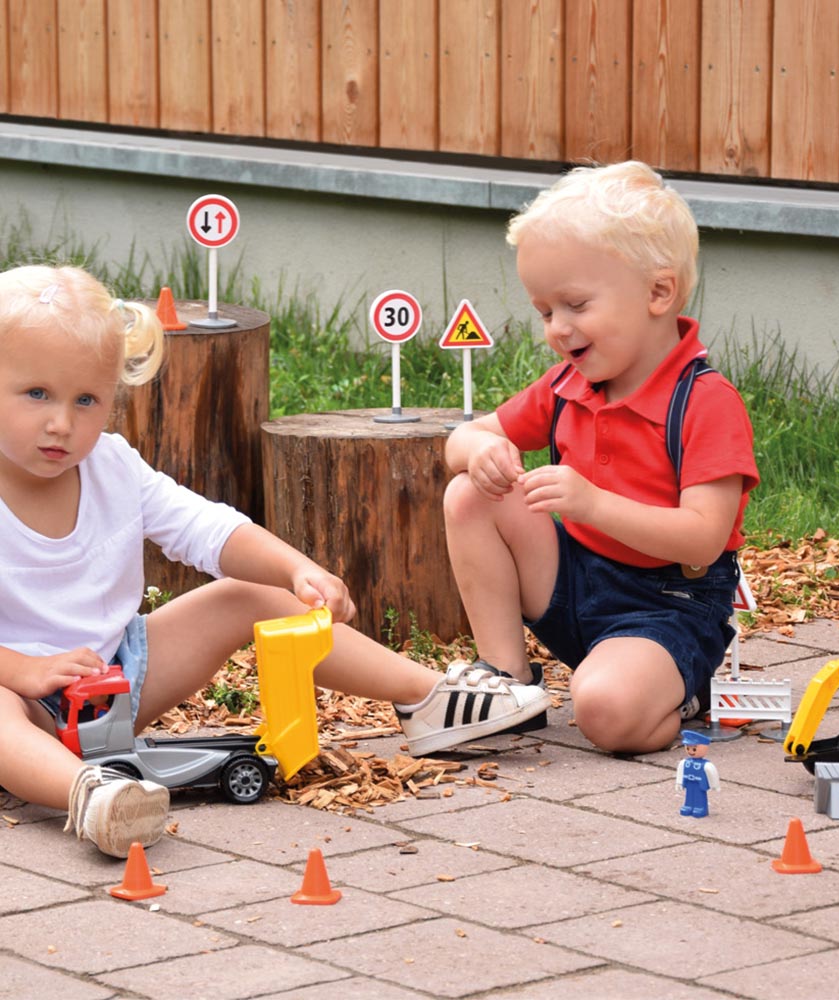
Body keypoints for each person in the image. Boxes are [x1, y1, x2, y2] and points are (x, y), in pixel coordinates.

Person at [0, 264, 548, 858]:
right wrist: (20, 672)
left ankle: (428, 699)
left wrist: (295, 569)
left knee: (249, 596)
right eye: (36, 394)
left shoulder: (112, 466)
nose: (62, 422)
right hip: (19, 699)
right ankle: (92, 796)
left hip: (112, 679)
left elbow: (205, 527)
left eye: (86, 400)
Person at [443, 161, 758, 755]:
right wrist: (482, 448)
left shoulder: (705, 402)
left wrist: (591, 503)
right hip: (574, 583)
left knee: (605, 713)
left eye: (576, 305)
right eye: (544, 311)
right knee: (469, 490)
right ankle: (508, 681)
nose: (557, 328)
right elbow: (461, 439)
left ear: (658, 292)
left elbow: (702, 540)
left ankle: (680, 691)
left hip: (668, 606)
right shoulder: (568, 385)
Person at [676, 729, 719, 818]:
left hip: (700, 784)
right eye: (688, 748)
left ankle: (700, 808)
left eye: (694, 749)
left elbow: (712, 773)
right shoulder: (685, 762)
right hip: (688, 782)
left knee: (699, 796)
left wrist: (714, 785)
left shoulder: (706, 765)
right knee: (689, 795)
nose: (691, 751)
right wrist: (679, 782)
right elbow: (680, 772)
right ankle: (688, 806)